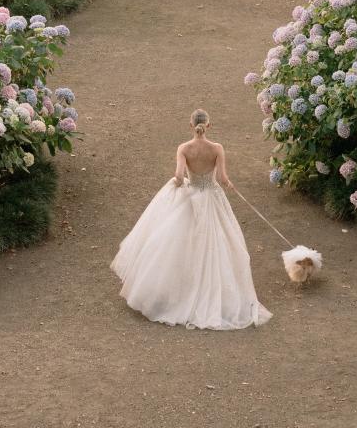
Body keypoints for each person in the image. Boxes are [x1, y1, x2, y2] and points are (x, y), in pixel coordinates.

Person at [111, 109, 271, 330]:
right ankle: (213, 290)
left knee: (179, 243)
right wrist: (230, 185)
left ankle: (180, 291)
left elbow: (178, 176)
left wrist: (177, 183)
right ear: (209, 126)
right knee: (217, 245)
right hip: (212, 198)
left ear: (191, 125)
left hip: (191, 197)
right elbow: (223, 178)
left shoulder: (184, 149)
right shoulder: (217, 149)